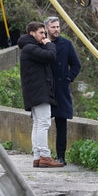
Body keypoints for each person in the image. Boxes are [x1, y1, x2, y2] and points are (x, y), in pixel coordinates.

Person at [18, 21, 63, 168]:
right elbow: (50, 56)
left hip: (34, 91)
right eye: (41, 33)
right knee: (43, 122)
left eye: (44, 33)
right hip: (39, 91)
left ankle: (37, 156)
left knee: (37, 123)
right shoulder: (30, 48)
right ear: (32, 33)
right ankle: (44, 155)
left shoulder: (29, 47)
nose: (44, 36)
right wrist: (49, 43)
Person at [46, 16, 81, 166]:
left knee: (61, 124)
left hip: (61, 89)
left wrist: (68, 78)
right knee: (42, 123)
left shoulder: (66, 44)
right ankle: (42, 155)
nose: (56, 29)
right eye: (53, 27)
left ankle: (61, 156)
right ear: (47, 28)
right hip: (45, 88)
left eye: (58, 27)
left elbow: (76, 65)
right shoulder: (41, 44)